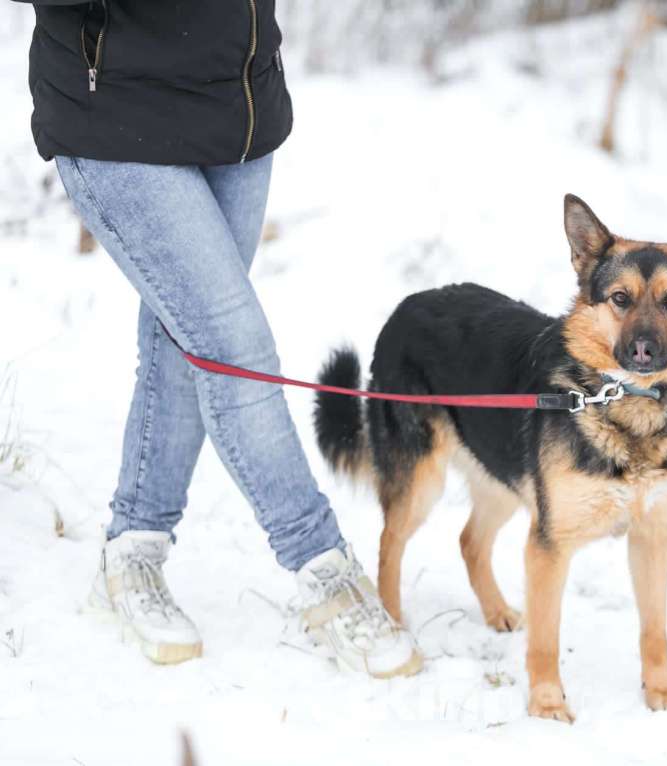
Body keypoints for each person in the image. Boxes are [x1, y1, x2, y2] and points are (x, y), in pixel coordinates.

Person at [13, 0, 421, 677]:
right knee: (233, 346)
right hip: (114, 113)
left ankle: (132, 551)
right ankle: (322, 568)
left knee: (187, 337)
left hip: (238, 109)